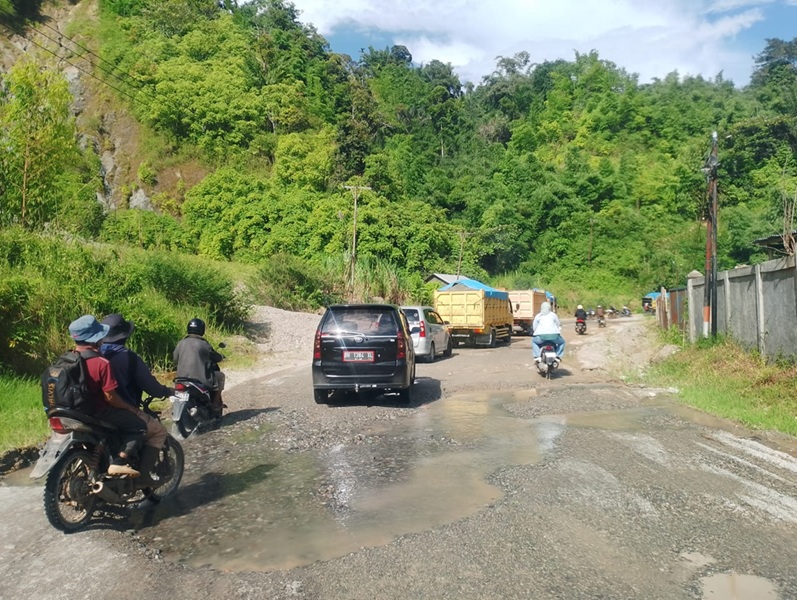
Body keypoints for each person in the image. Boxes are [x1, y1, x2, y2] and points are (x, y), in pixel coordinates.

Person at [68, 315, 147, 477]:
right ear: (96, 339)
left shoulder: (68, 359)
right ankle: (119, 462)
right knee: (139, 426)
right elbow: (111, 398)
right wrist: (129, 407)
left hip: (74, 412)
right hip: (98, 412)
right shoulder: (101, 363)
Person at [100, 314, 172, 485]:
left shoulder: (94, 355)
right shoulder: (129, 358)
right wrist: (166, 391)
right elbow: (151, 387)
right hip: (122, 409)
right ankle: (144, 476)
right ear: (124, 336)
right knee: (158, 431)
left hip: (95, 410)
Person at [173, 318, 225, 416]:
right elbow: (215, 357)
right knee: (221, 376)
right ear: (202, 330)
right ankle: (215, 404)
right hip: (200, 380)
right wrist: (221, 356)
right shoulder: (204, 344)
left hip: (181, 379)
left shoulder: (181, 343)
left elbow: (175, 359)